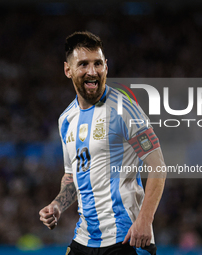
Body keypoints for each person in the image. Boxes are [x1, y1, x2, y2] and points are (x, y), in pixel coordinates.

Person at [39, 31, 167, 255]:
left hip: (125, 237)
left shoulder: (125, 109)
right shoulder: (66, 120)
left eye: (98, 63)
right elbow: (72, 176)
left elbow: (158, 166)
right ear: (68, 70)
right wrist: (57, 205)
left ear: (106, 66)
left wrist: (145, 220)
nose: (92, 71)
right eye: (83, 64)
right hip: (84, 238)